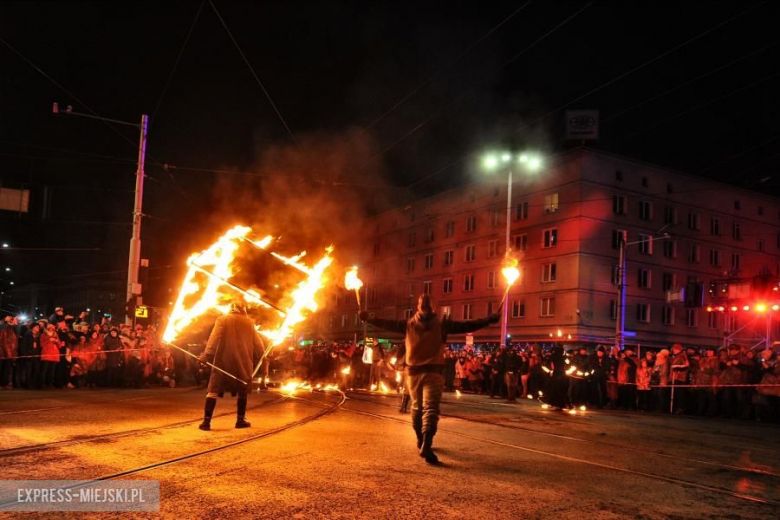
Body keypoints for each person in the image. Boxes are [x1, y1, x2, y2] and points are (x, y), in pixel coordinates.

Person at [360, 294, 498, 463]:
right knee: (430, 409)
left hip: (413, 373)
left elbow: (385, 323)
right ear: (433, 307)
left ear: (418, 306)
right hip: (433, 372)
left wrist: (368, 318)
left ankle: (420, 439)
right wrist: (488, 320)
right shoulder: (442, 325)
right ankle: (426, 444)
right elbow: (468, 325)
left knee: (417, 408)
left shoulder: (408, 324)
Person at [198, 303, 266, 431]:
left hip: (223, 361)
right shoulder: (249, 322)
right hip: (243, 362)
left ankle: (206, 422)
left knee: (213, 390)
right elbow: (258, 344)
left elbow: (214, 338)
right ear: (243, 309)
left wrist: (207, 354)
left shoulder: (222, 319)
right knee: (242, 389)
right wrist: (264, 354)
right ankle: (240, 420)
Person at [0, 316, 19, 389]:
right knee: (1, 368)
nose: (11, 320)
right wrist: (5, 321)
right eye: (9, 319)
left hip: (10, 352)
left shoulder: (12, 329)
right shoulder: (2, 327)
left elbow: (17, 334)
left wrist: (16, 323)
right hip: (1, 351)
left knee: (7, 369)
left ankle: (5, 383)